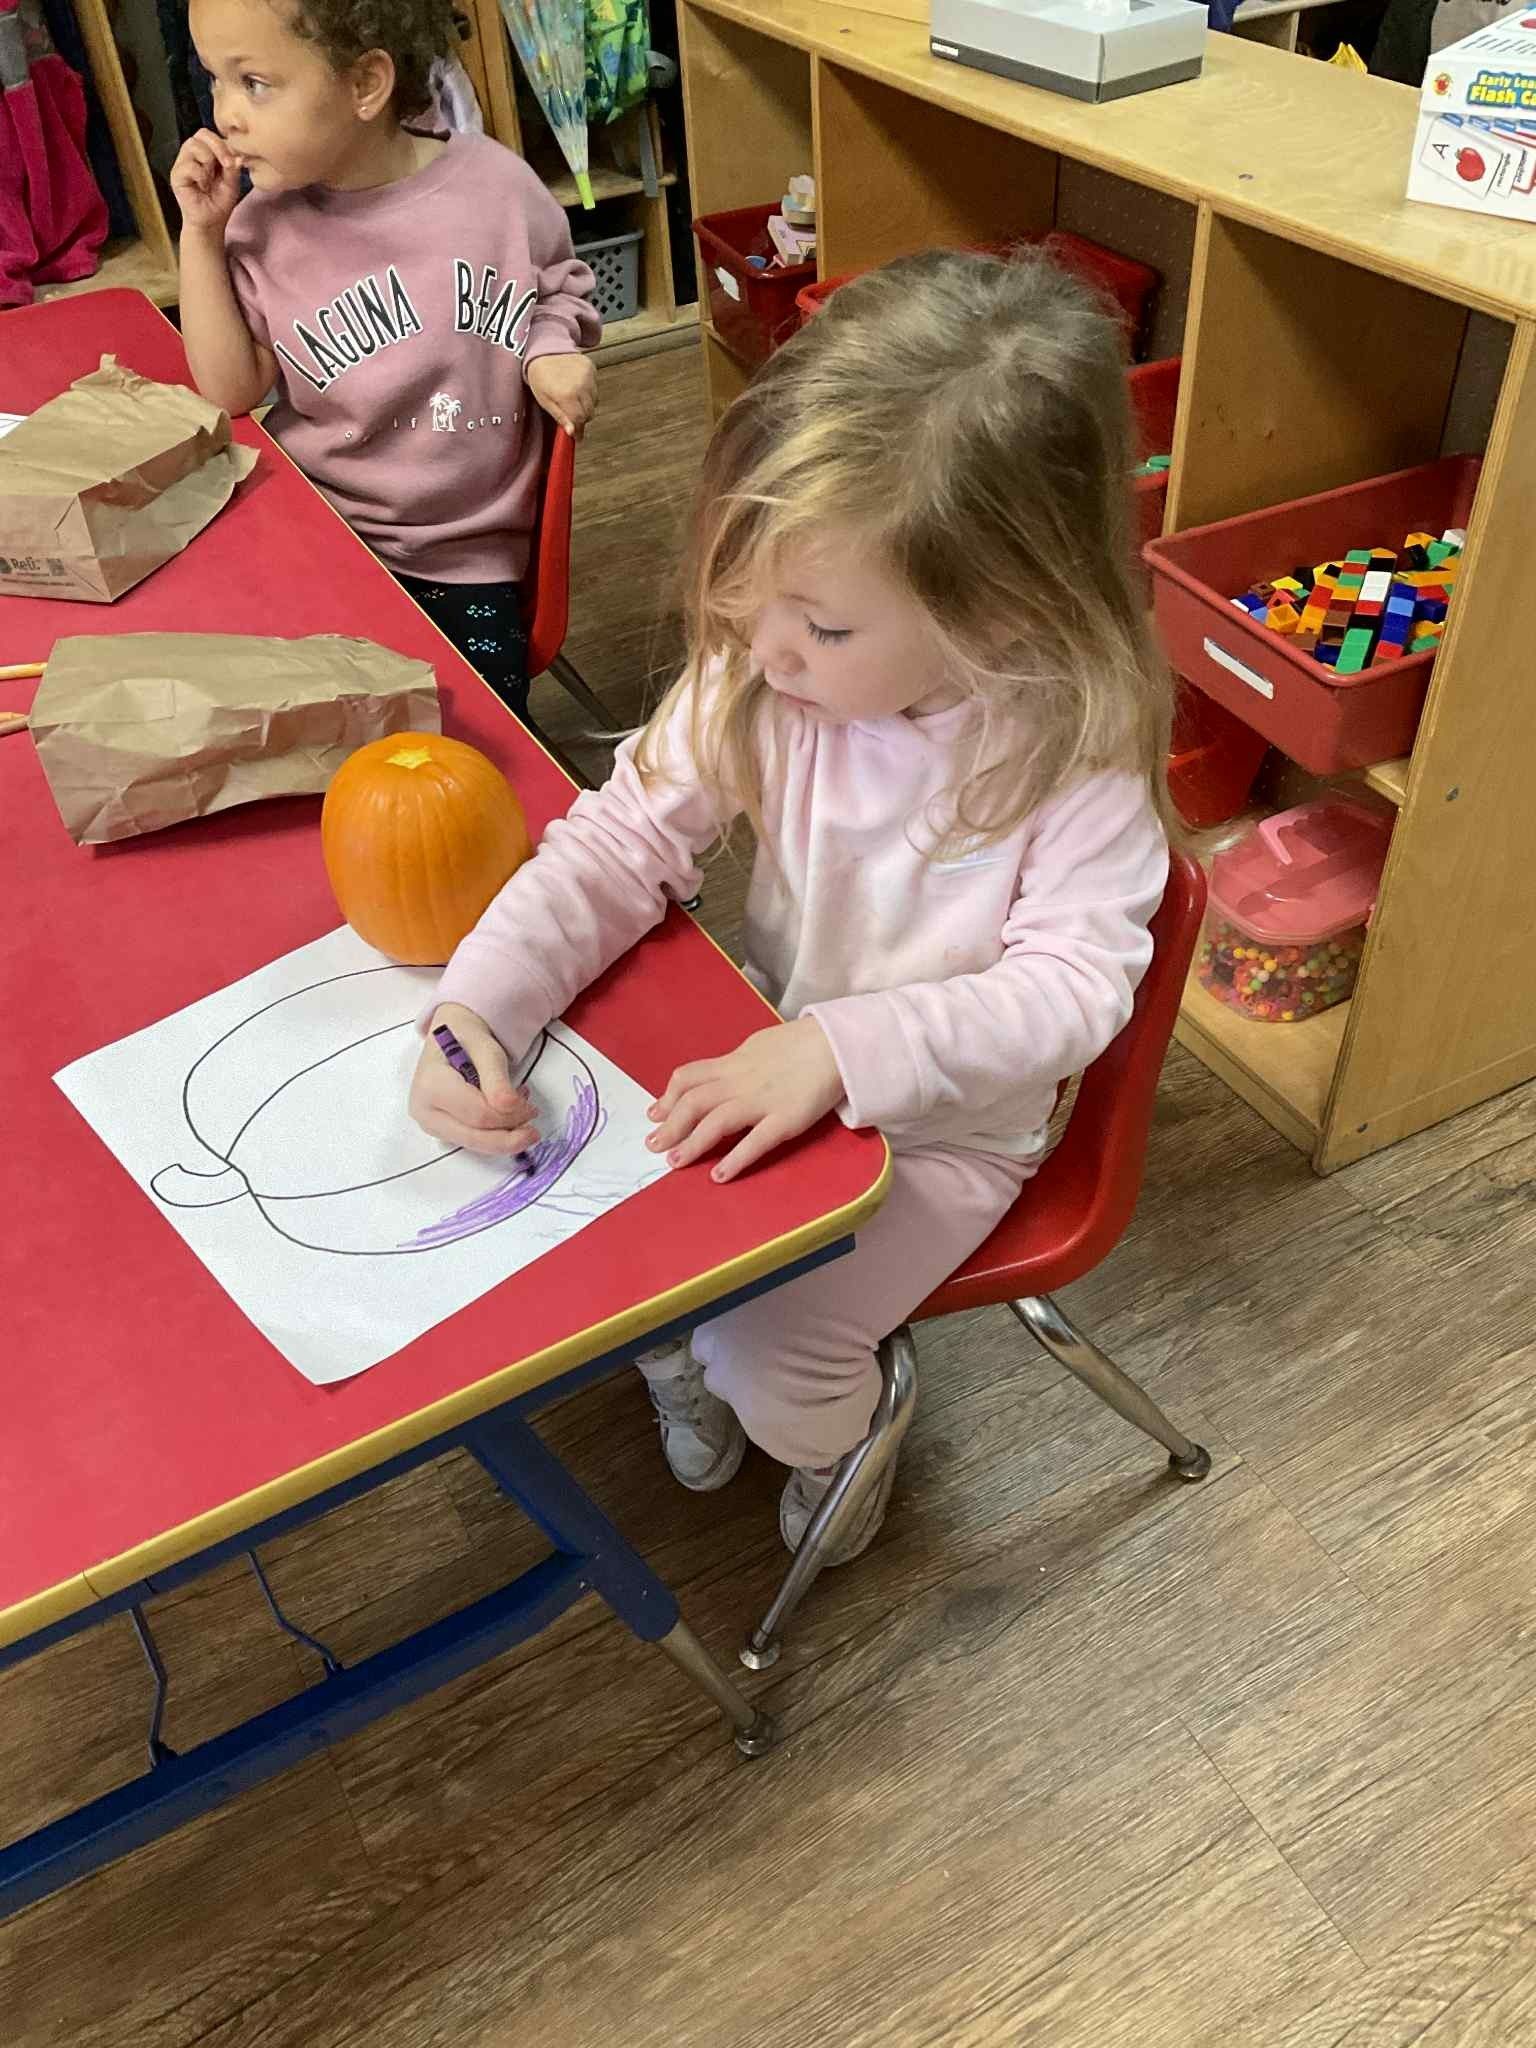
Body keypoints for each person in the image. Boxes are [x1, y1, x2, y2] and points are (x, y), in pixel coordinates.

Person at [407, 249, 1175, 1560]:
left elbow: (1073, 996)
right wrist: (478, 1006)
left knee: (766, 1357)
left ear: (1001, 613)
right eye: (748, 582)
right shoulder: (770, 676)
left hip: (945, 1137)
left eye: (819, 625)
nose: (760, 646)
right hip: (779, 1050)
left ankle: (847, 1425)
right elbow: (610, 853)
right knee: (627, 1238)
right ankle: (689, 1349)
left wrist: (839, 1049)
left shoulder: (1069, 756)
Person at [170, 0, 600, 719]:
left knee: (463, 759)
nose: (226, 115)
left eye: (256, 83)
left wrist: (549, 350)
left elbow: (561, 285)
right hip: (317, 543)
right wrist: (200, 235)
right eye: (215, 80)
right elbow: (231, 390)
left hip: (459, 563)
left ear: (366, 84)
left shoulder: (497, 190)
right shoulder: (257, 227)